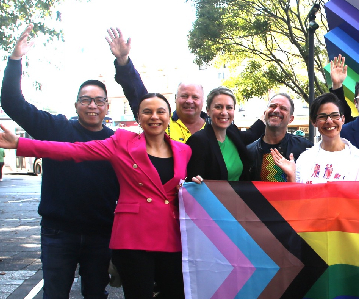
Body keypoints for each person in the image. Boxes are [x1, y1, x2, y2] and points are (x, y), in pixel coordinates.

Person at [0, 93, 202, 299]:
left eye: (161, 111)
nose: (154, 117)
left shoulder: (183, 150)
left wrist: (194, 185)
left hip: (171, 235)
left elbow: (181, 187)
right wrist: (20, 144)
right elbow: (73, 150)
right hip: (133, 237)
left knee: (175, 293)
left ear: (169, 116)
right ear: (139, 117)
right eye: (147, 112)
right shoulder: (121, 142)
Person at [2, 24, 119, 299]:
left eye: (99, 101)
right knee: (54, 293)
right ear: (76, 104)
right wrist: (15, 60)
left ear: (107, 107)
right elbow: (12, 103)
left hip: (101, 233)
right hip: (58, 232)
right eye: (86, 100)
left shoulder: (117, 142)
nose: (92, 106)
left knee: (95, 294)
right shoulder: (56, 128)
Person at [105, 28, 265, 142]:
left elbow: (246, 138)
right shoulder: (161, 122)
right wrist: (123, 61)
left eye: (195, 97)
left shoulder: (218, 125)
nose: (189, 101)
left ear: (203, 103)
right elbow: (137, 94)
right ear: (175, 99)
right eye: (184, 96)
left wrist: (267, 117)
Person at [272, 93, 359, 183]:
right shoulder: (305, 159)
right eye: (322, 117)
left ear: (342, 119)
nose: (329, 121)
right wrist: (291, 177)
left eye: (335, 115)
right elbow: (298, 198)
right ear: (314, 122)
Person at [186, 87, 263, 181]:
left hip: (238, 195)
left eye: (229, 107)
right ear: (208, 111)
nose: (224, 112)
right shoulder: (198, 141)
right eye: (218, 107)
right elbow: (193, 180)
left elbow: (252, 134)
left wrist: (268, 114)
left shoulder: (232, 132)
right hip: (212, 195)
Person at [246, 93, 313, 181]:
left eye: (283, 108)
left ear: (291, 119)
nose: (276, 110)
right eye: (273, 106)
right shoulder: (248, 152)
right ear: (265, 113)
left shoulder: (305, 149)